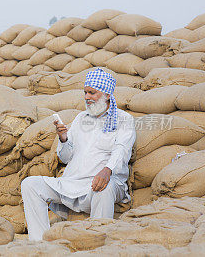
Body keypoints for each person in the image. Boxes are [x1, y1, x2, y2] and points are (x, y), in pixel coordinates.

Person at [21, 68, 136, 241]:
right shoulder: (81, 118)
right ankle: (39, 243)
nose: (87, 97)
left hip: (102, 183)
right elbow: (66, 157)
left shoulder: (124, 119)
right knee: (30, 184)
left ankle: (98, 243)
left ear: (106, 94)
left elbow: (122, 149)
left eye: (92, 93)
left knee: (105, 188)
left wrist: (107, 170)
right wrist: (64, 139)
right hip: (71, 183)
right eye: (85, 92)